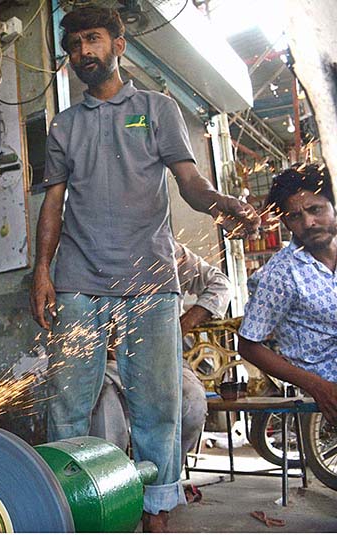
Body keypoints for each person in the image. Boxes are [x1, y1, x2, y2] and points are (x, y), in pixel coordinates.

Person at [29, 7, 257, 531]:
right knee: (68, 405)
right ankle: (72, 509)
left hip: (150, 279)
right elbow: (53, 205)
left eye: (93, 39)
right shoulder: (63, 125)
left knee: (158, 406)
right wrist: (43, 271)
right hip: (78, 279)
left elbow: (191, 184)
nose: (84, 51)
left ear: (119, 44)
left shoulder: (157, 108)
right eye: (75, 45)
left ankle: (157, 513)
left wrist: (223, 202)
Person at [90, 242, 232, 457]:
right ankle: (116, 477)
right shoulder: (93, 250)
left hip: (164, 359)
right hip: (110, 364)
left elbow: (220, 285)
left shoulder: (169, 250)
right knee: (106, 400)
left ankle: (166, 475)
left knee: (191, 401)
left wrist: (180, 327)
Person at [238, 164, 337, 425]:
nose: (308, 223)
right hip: (327, 391)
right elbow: (249, 345)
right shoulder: (281, 273)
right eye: (294, 217)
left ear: (333, 205)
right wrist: (317, 387)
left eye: (315, 209)